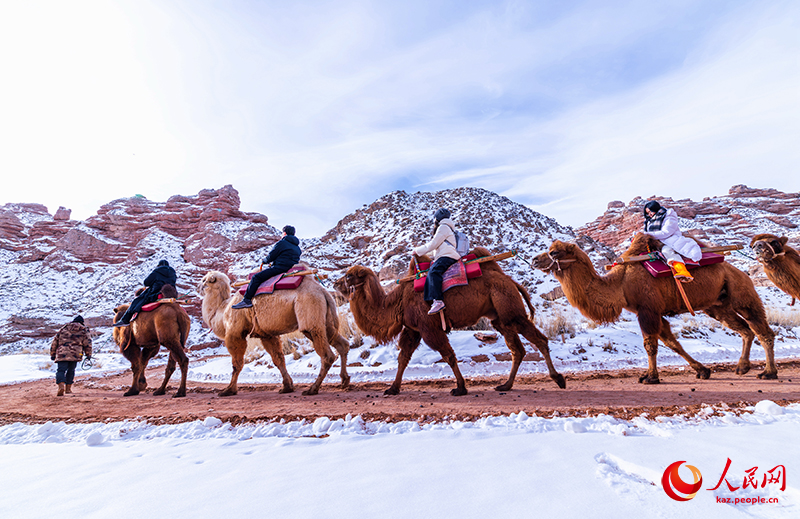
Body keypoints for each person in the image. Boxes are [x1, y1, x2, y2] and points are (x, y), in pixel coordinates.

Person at [232, 225, 301, 309]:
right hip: (290, 268)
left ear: (285, 233)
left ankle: (247, 300)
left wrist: (265, 261)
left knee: (256, 277)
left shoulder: (282, 243)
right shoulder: (297, 248)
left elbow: (271, 256)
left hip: (279, 268)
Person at [413, 208, 461, 314]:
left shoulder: (443, 227)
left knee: (434, 272)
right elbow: (436, 248)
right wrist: (421, 253)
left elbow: (433, 244)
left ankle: (438, 301)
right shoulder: (447, 228)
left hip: (447, 256)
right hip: (446, 255)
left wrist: (417, 250)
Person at [643, 200, 701, 282]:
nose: (650, 214)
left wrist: (648, 235)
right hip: (656, 243)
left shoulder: (669, 216)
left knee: (667, 251)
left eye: (650, 211)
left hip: (670, 241)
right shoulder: (649, 221)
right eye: (648, 213)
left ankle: (682, 271)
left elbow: (666, 232)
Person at [113, 259, 177, 327]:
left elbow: (146, 282)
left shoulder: (157, 271)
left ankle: (125, 320)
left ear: (159, 265)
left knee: (137, 301)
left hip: (155, 293)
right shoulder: (173, 273)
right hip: (169, 294)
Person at [50, 315, 92, 396]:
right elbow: (88, 343)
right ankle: (68, 389)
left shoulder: (63, 328)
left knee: (61, 370)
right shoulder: (83, 330)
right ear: (82, 322)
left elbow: (54, 342)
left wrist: (52, 354)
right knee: (71, 370)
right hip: (75, 353)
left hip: (62, 353)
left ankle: (61, 386)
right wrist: (88, 354)